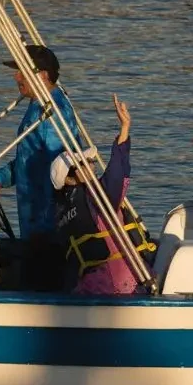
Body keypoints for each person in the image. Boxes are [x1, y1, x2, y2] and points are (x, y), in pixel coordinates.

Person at [0, 45, 82, 291]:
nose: (16, 77)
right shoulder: (39, 104)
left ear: (43, 76)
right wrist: (0, 178)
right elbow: (30, 160)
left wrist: (45, 229)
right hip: (33, 224)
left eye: (22, 71)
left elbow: (60, 177)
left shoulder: (52, 116)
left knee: (40, 286)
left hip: (46, 231)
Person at [52, 95, 155, 295]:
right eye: (86, 163)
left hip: (88, 286)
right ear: (71, 176)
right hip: (120, 284)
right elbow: (117, 174)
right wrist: (124, 129)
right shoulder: (96, 196)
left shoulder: (61, 208)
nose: (92, 165)